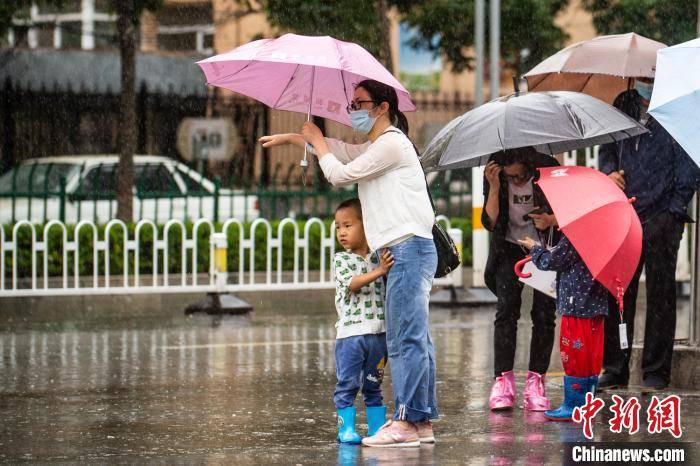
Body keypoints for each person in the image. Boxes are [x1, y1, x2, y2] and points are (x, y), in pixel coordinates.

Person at [260, 79, 437, 447]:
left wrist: (319, 142)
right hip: (402, 249)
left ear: (383, 106)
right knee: (413, 337)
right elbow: (343, 151)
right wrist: (300, 138)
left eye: (361, 103)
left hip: (407, 248)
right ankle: (420, 423)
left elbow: (338, 174)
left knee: (406, 340)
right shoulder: (378, 146)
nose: (353, 110)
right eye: (352, 104)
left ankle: (406, 422)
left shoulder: (390, 144)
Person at [598, 78, 700, 392]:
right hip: (625, 213)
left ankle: (656, 372)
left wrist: (673, 209)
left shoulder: (677, 107)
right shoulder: (623, 103)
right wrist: (609, 174)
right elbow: (608, 148)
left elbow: (689, 161)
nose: (647, 84)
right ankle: (615, 369)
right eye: (642, 77)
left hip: (663, 218)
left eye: (652, 77)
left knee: (661, 296)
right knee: (617, 295)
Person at [482, 148, 559, 411]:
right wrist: (494, 187)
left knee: (544, 316)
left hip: (543, 247)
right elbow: (489, 223)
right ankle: (502, 380)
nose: (515, 181)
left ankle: (536, 380)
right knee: (505, 312)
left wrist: (550, 220)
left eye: (520, 176)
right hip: (509, 248)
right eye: (509, 177)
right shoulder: (494, 172)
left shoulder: (548, 167)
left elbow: (564, 209)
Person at [519, 234, 608, 421]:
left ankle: (574, 405)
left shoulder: (576, 236)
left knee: (574, 357)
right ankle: (587, 402)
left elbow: (551, 261)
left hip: (576, 307)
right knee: (590, 358)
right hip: (596, 306)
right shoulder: (603, 236)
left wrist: (535, 248)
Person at [331, 198, 393, 444]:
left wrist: (382, 267)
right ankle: (345, 429)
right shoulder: (341, 260)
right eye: (338, 227)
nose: (342, 232)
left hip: (379, 335)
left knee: (373, 384)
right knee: (347, 383)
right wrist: (380, 272)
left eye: (348, 225)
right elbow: (353, 284)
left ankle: (377, 429)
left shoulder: (380, 256)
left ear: (366, 226)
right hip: (350, 336)